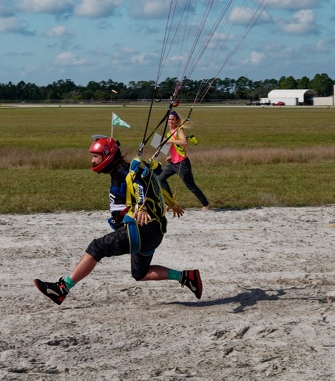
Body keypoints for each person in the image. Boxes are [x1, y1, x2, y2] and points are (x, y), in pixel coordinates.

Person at [33, 135, 202, 305]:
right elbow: (150, 182)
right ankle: (187, 277)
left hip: (141, 229)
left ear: (107, 155)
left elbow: (139, 185)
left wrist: (141, 207)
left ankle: (61, 289)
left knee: (97, 247)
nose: (92, 160)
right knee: (140, 273)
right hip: (152, 232)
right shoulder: (121, 170)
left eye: (95, 156)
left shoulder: (123, 171)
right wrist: (171, 203)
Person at [156, 110, 211, 211]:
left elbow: (184, 142)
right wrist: (170, 156)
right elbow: (176, 147)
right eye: (169, 119)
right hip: (173, 163)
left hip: (182, 163)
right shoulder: (169, 132)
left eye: (173, 119)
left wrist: (170, 140)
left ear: (176, 120)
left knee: (190, 185)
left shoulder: (178, 130)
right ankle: (170, 202)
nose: (170, 121)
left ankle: (206, 204)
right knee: (160, 178)